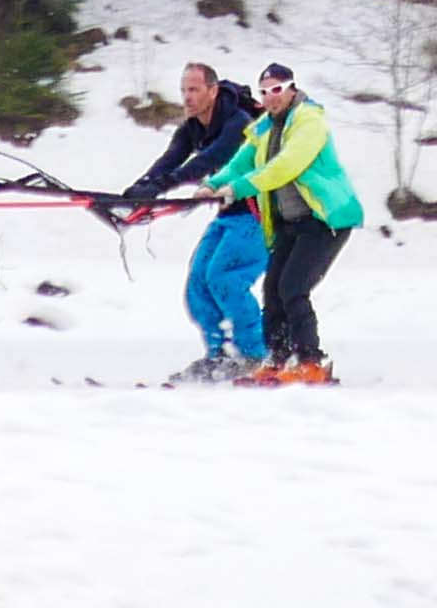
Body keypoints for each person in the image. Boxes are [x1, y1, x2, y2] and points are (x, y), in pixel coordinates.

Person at [198, 62, 363, 385]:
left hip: (324, 221)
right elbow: (240, 163)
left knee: (293, 288)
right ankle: (277, 360)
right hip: (289, 223)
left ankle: (311, 363)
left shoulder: (309, 122)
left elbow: (285, 166)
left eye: (277, 89)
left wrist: (238, 189)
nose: (270, 97)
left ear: (291, 89)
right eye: (264, 92)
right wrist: (213, 184)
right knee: (272, 292)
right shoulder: (264, 128)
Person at [124, 62, 268, 382]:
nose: (187, 97)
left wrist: (161, 186)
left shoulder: (238, 123)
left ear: (212, 91)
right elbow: (170, 160)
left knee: (225, 279)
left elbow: (209, 159)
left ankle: (255, 356)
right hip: (229, 214)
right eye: (184, 90)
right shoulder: (192, 127)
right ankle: (220, 356)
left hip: (261, 214)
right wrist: (140, 188)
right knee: (198, 284)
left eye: (194, 90)